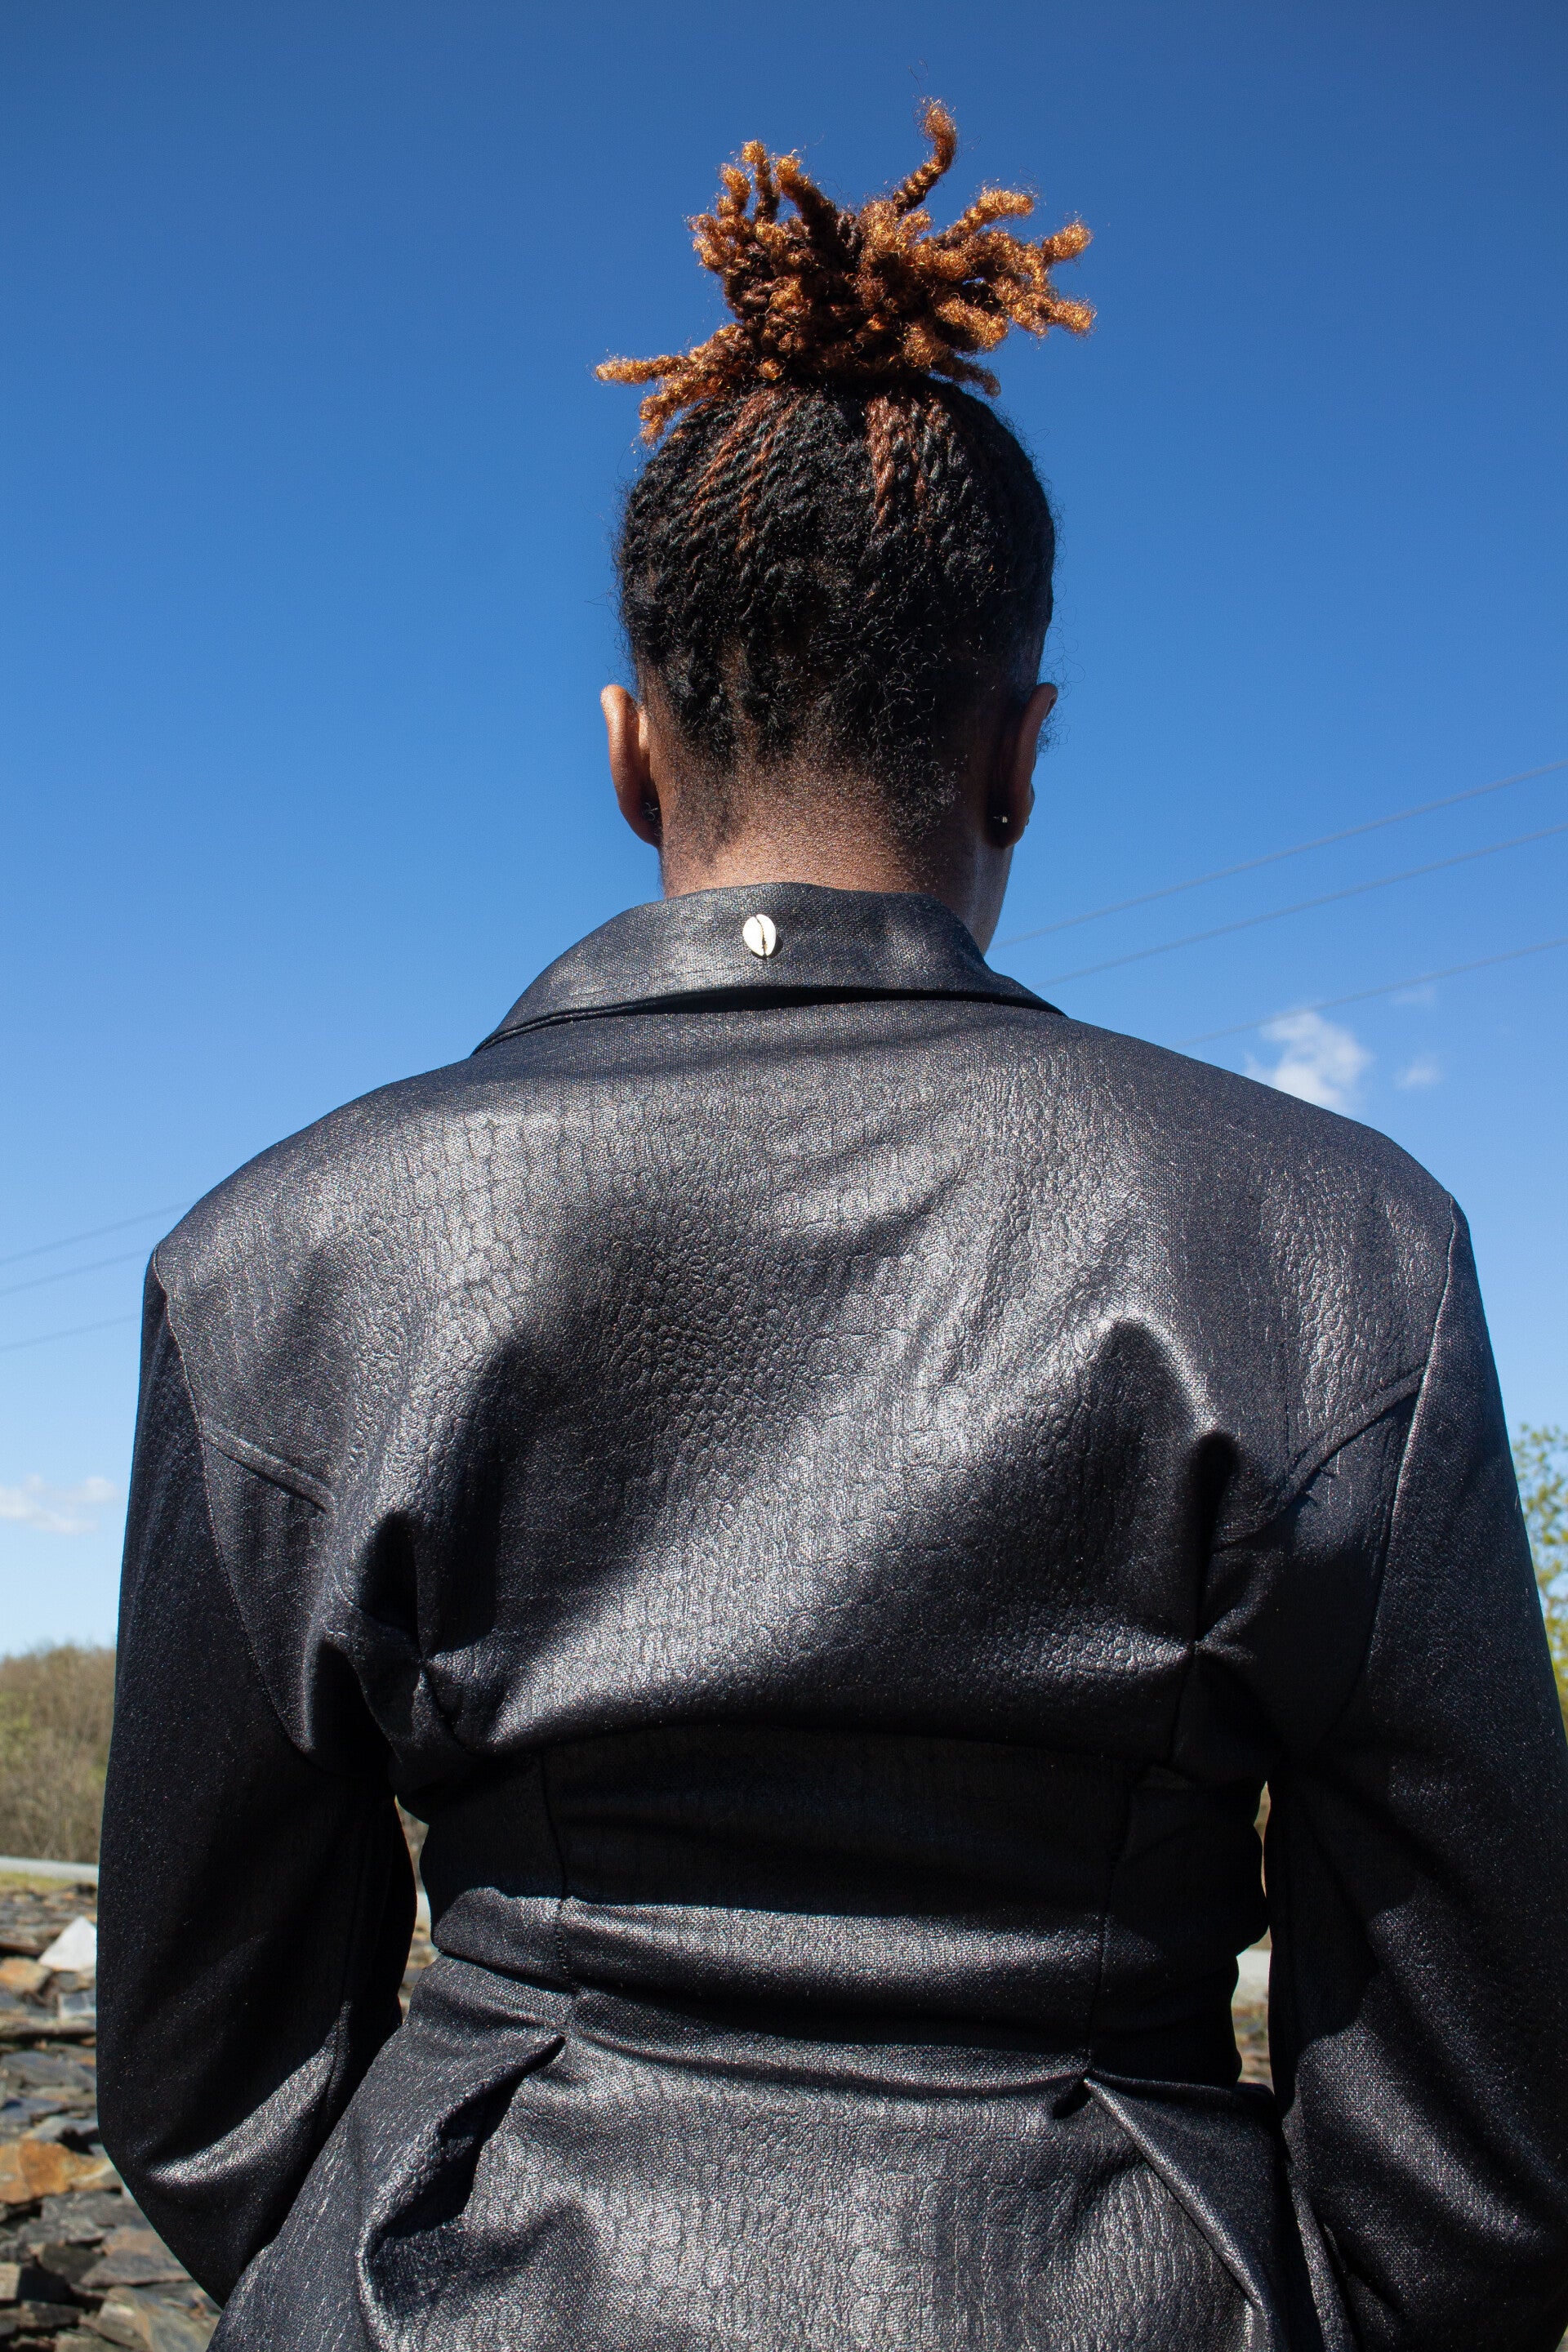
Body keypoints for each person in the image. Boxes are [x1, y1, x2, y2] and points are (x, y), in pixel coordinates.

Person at [97, 105, 1568, 2352]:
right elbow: (1477, 2148)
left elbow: (207, 2083)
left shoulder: (284, 1253)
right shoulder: (1343, 1250)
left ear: (627, 750)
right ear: (1022, 753)